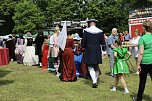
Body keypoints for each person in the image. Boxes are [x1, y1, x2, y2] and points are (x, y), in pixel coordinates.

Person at [81, 19, 105, 88]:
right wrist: (104, 51)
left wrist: (83, 46)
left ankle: (94, 81)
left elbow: (83, 42)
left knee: (90, 66)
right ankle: (95, 80)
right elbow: (103, 42)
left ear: (90, 23)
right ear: (95, 23)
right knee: (96, 66)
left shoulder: (86, 31)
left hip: (89, 50)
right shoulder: (100, 31)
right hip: (97, 50)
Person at [133, 21, 152, 101]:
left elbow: (141, 53)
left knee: (142, 82)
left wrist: (138, 65)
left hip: (144, 62)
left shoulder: (142, 38)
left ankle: (139, 99)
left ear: (144, 28)